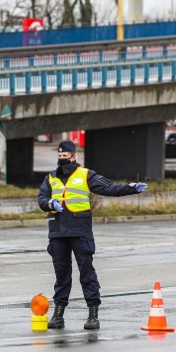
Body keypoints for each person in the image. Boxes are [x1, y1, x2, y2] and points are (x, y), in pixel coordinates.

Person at [37, 140, 147, 331]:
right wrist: (49, 204)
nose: (63, 160)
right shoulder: (50, 178)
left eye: (66, 157)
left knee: (86, 273)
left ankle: (93, 314)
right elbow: (41, 199)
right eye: (60, 157)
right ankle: (58, 314)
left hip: (80, 231)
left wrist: (130, 187)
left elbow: (109, 188)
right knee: (61, 274)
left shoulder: (86, 175)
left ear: (74, 156)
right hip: (57, 232)